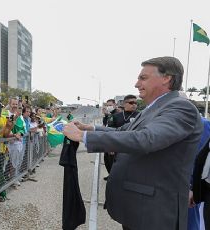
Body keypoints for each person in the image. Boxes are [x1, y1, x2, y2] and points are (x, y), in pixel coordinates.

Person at [63, 56, 203, 230]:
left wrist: (83, 137)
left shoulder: (181, 107)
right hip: (140, 207)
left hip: (154, 212)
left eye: (143, 78)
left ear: (166, 78)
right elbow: (125, 132)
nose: (136, 84)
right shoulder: (154, 108)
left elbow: (146, 139)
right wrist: (89, 129)